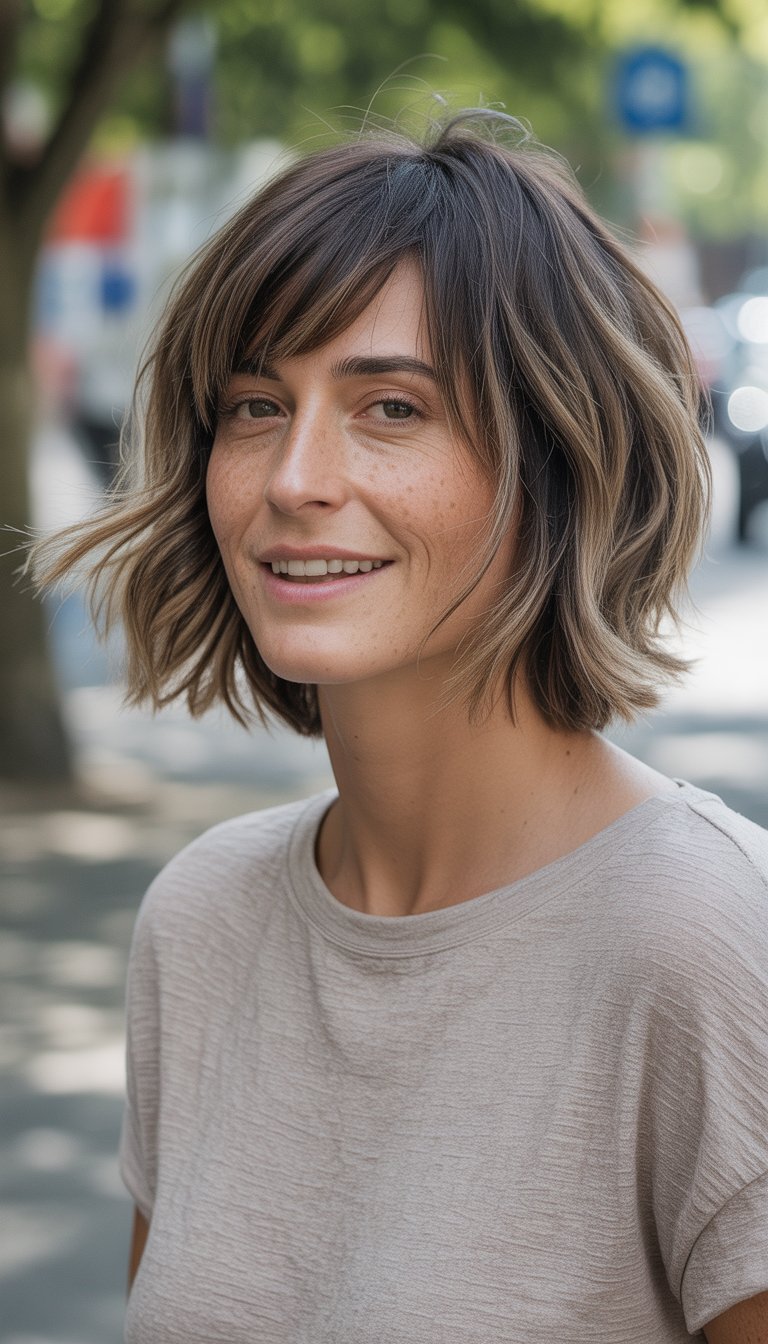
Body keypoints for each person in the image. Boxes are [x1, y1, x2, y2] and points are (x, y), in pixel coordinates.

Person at [35, 111, 768, 1343]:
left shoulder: (705, 944)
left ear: (559, 458)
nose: (292, 478)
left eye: (390, 409)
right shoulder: (202, 919)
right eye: (255, 405)